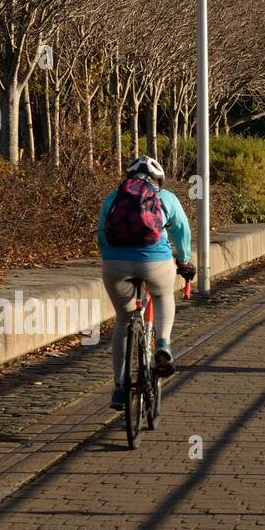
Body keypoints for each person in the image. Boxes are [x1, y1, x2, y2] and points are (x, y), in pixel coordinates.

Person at [98, 156, 194, 409]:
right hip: (155, 262)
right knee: (162, 296)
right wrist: (184, 262)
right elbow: (182, 231)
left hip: (116, 263)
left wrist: (111, 258)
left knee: (123, 319)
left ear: (128, 178)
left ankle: (120, 387)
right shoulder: (167, 198)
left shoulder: (113, 197)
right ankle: (163, 344)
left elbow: (101, 232)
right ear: (157, 180)